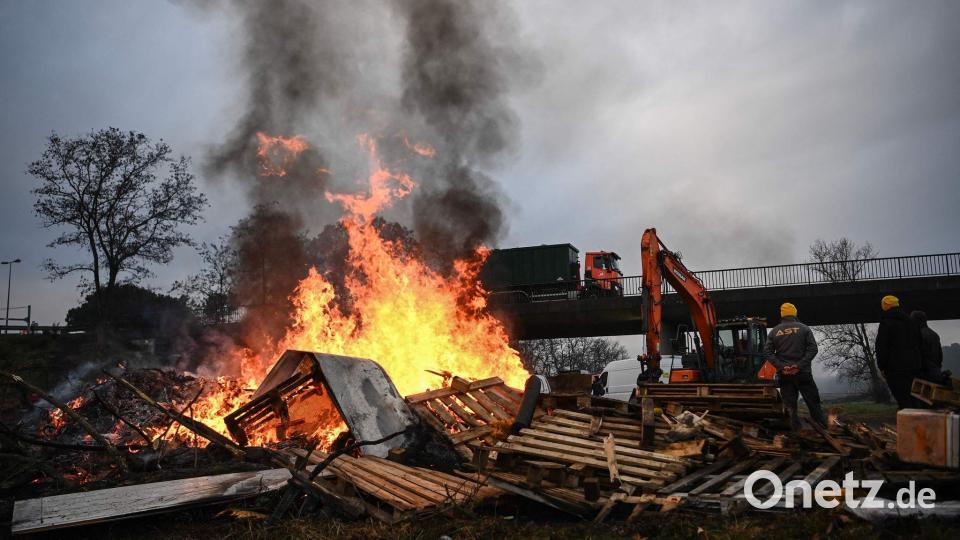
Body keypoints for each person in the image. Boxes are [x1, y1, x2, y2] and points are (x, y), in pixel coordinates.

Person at [763, 302, 827, 429]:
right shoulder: (804, 328)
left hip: (785, 375)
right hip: (803, 374)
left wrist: (782, 366)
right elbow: (813, 349)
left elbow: (767, 352)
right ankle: (823, 430)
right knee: (813, 403)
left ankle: (794, 435)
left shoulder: (774, 332)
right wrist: (799, 365)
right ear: (794, 313)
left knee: (790, 407)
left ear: (782, 315)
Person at [875, 295, 923, 409]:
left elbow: (881, 347)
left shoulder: (886, 324)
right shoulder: (911, 322)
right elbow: (920, 343)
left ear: (884, 307)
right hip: (914, 367)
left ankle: (909, 424)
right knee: (914, 399)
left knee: (903, 400)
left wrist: (882, 366)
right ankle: (919, 422)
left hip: (895, 369)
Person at [911, 310, 944, 383]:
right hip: (936, 373)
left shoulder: (917, 335)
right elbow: (940, 356)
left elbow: (917, 358)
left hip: (924, 376)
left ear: (917, 321)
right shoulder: (934, 335)